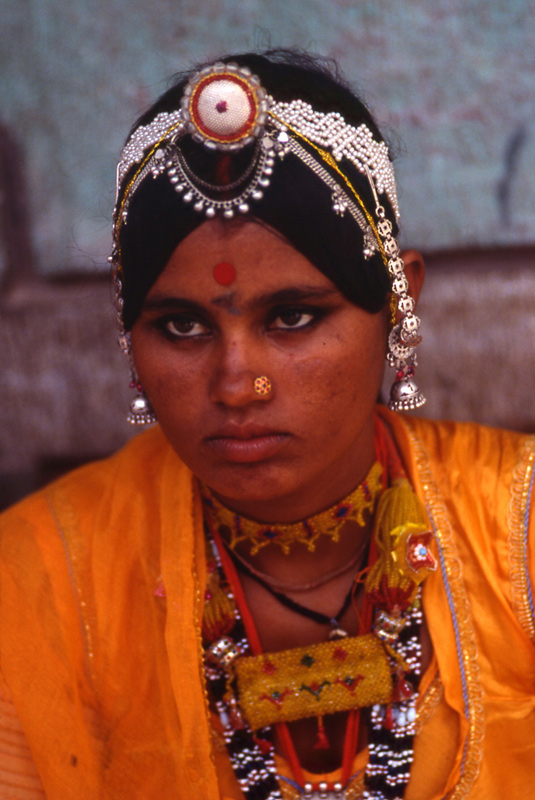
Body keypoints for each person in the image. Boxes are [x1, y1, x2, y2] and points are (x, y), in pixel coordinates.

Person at [0, 49, 534, 800]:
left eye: (291, 317)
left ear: (397, 303)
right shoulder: (39, 582)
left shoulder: (518, 534)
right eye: (181, 327)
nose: (236, 384)